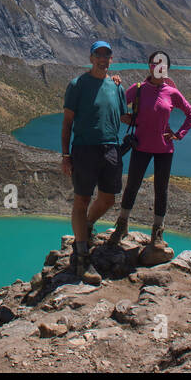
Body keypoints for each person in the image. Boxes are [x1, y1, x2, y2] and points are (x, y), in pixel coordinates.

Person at [109, 50, 191, 251]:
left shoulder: (172, 93)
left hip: (164, 149)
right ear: (149, 66)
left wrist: (179, 134)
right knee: (132, 186)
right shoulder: (138, 89)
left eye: (162, 64)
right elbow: (118, 103)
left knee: (161, 190)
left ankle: (157, 233)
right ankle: (122, 226)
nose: (158, 67)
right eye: (154, 63)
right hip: (141, 145)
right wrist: (116, 87)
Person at [61, 40, 126, 278]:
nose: (102, 59)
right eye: (98, 55)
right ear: (90, 58)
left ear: (111, 59)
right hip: (84, 150)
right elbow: (67, 122)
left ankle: (86, 226)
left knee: (108, 199)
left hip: (110, 148)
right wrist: (66, 155)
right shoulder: (77, 85)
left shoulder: (116, 87)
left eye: (106, 55)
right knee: (82, 199)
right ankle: (81, 258)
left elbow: (123, 116)